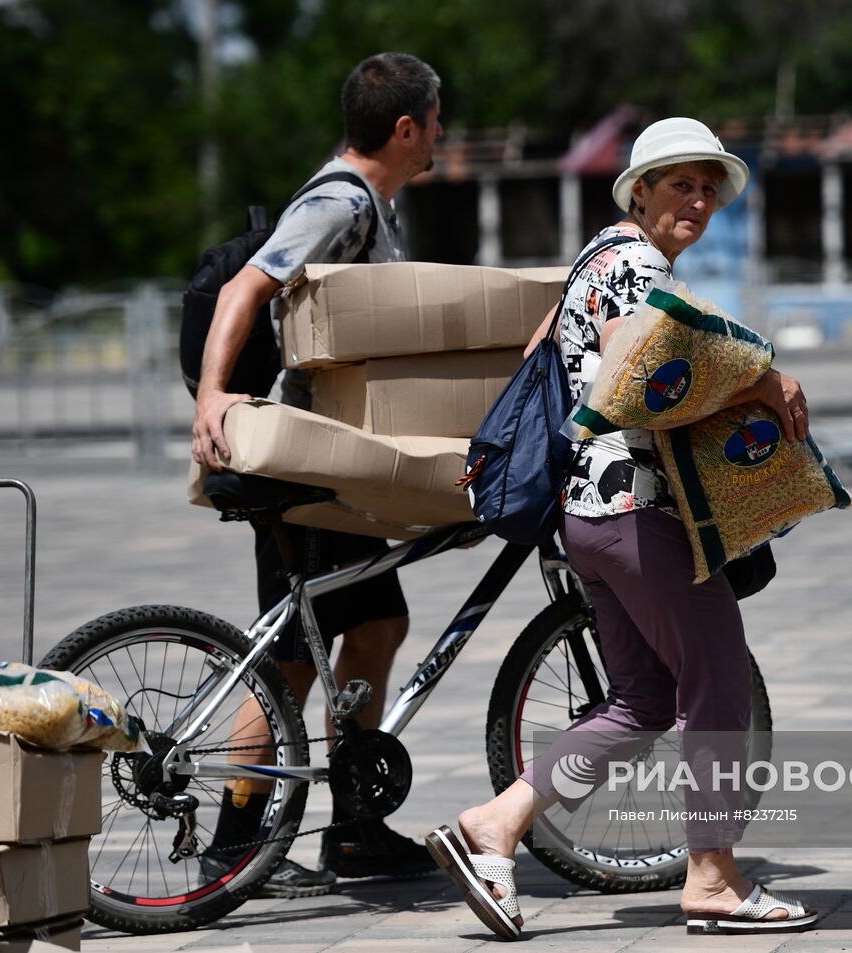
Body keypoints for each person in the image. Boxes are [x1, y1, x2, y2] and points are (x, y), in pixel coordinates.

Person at [425, 118, 818, 937]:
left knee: (642, 700)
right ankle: (712, 877)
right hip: (638, 512)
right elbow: (650, 383)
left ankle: (497, 824)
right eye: (683, 184)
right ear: (639, 190)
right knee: (719, 687)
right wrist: (762, 386)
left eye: (709, 188)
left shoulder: (597, 258)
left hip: (592, 518)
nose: (700, 201)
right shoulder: (635, 267)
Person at [191, 51, 443, 896]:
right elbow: (245, 286)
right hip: (308, 470)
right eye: (436, 120)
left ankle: (356, 826)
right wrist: (215, 397)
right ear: (405, 129)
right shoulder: (339, 202)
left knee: (375, 626)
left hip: (339, 469)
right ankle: (233, 841)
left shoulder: (369, 204)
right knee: (293, 657)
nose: (442, 134)